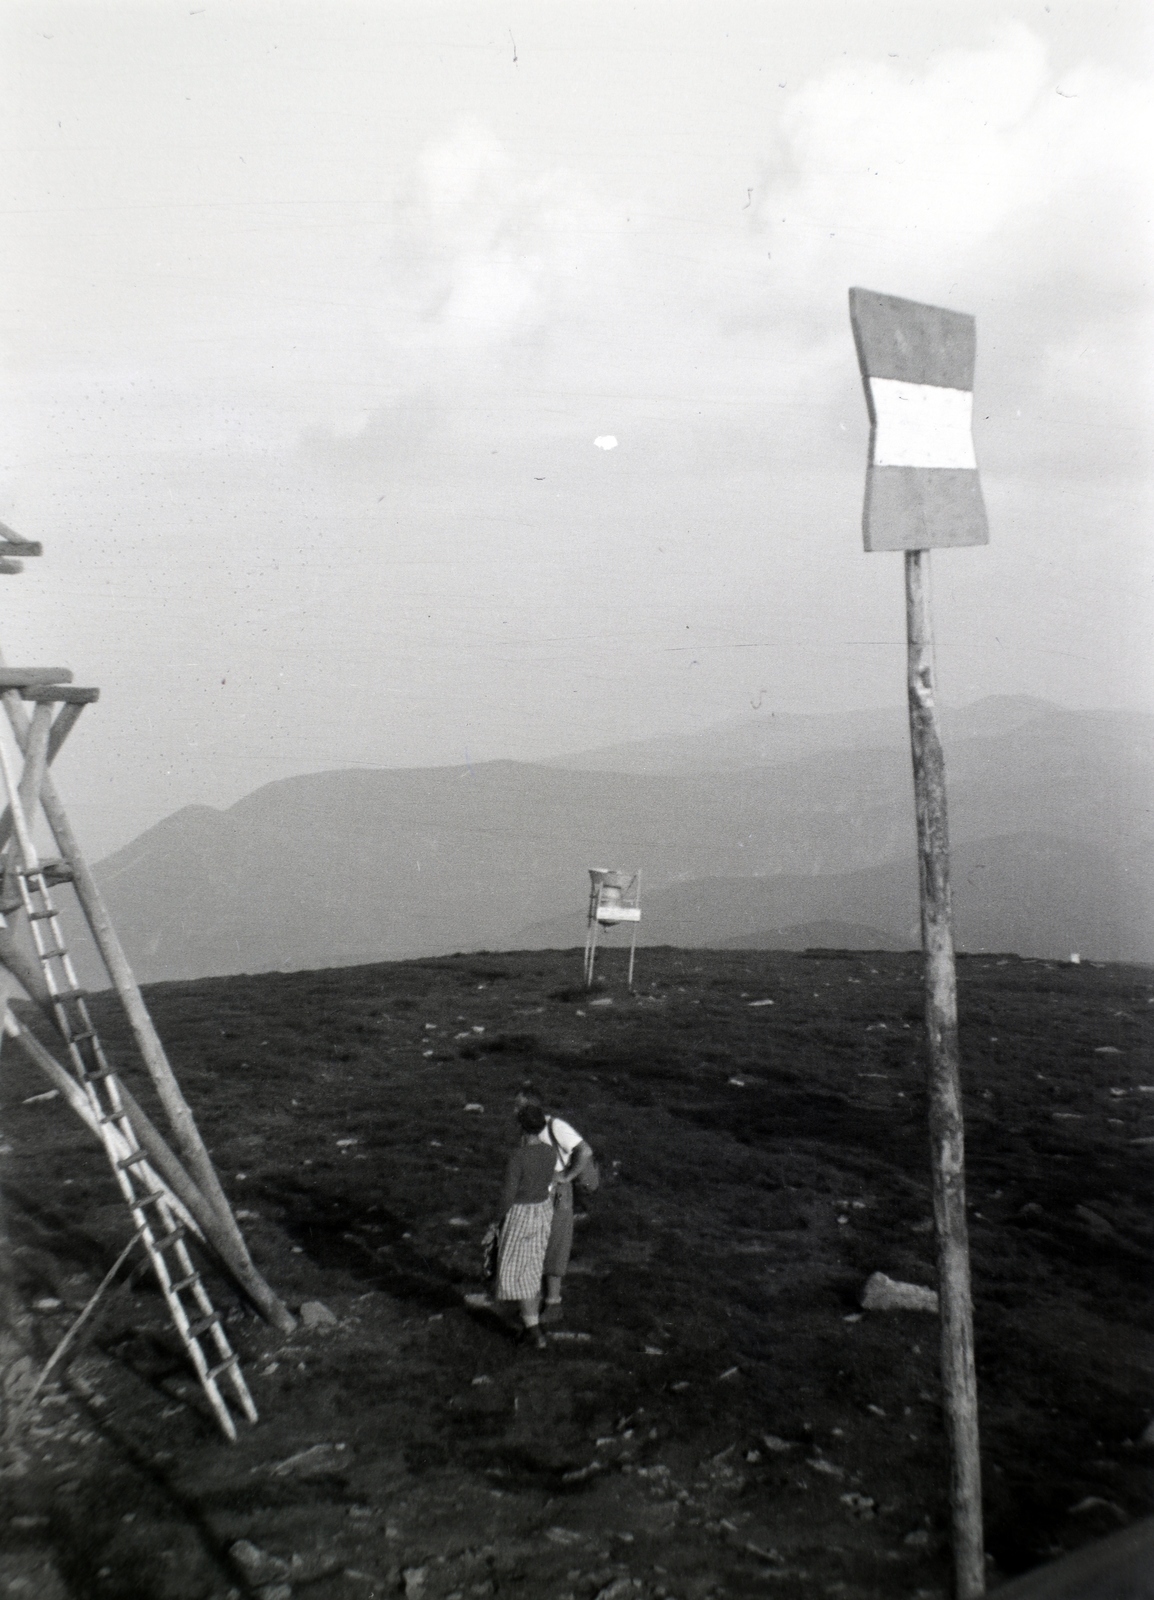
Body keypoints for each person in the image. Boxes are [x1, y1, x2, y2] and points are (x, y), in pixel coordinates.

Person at [513, 1084, 594, 1323]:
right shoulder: (527, 1131)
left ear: (530, 1105)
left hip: (557, 1194)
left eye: (517, 1105)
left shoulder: (555, 1126)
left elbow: (585, 1150)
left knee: (555, 1243)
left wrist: (567, 1176)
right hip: (536, 1193)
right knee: (537, 1244)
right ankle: (538, 1302)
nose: (513, 1110)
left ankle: (552, 1303)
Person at [495, 1103, 557, 1348]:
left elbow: (508, 1195)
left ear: (521, 1126)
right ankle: (531, 1323)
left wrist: (495, 1220)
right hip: (542, 1211)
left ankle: (534, 1331)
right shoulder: (550, 1152)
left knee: (517, 1271)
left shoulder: (518, 1156)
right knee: (531, 1268)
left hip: (521, 1213)